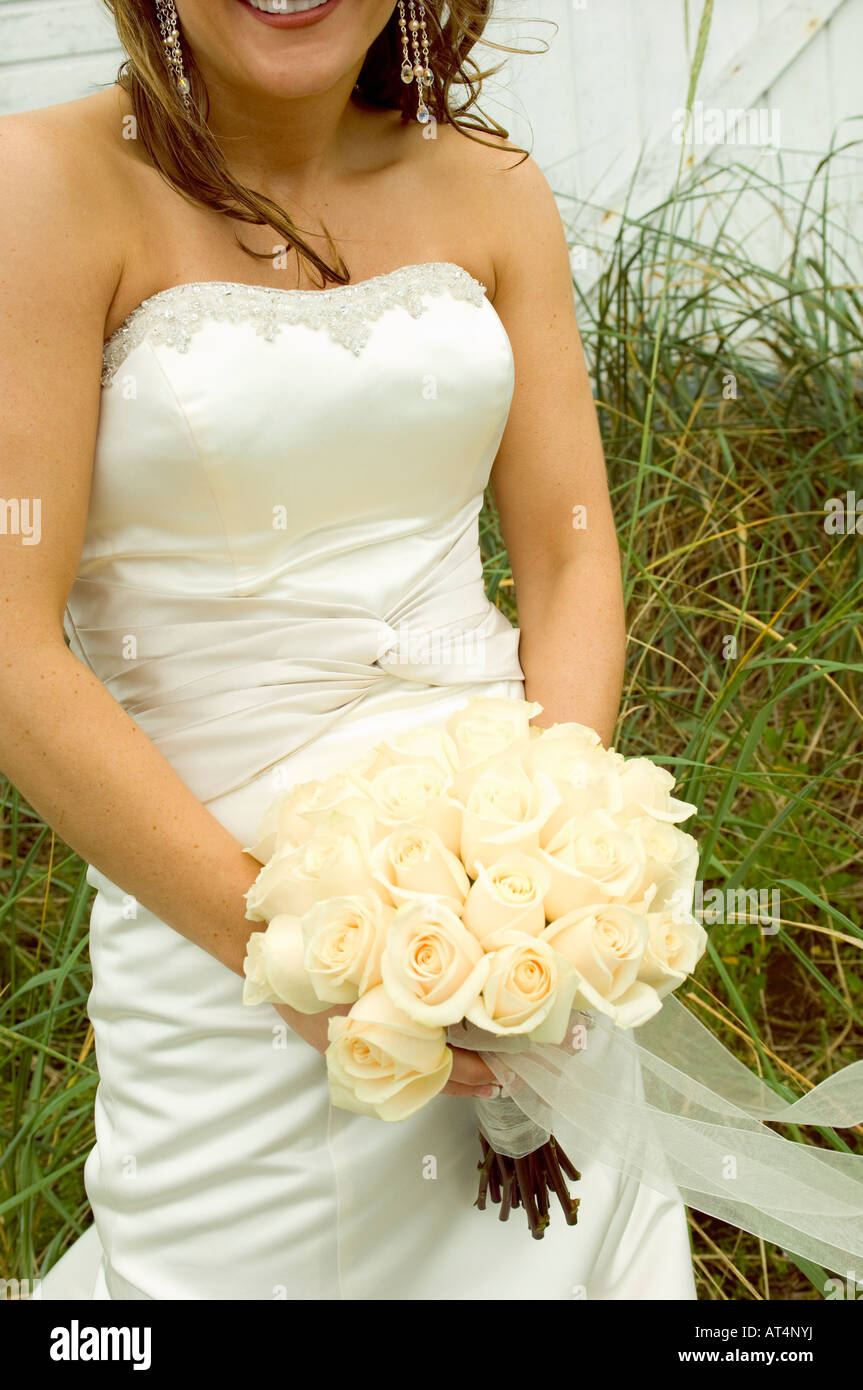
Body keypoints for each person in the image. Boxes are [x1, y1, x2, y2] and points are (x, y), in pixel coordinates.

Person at [0, 0, 696, 1299]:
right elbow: (9, 643)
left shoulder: (492, 188)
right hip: (219, 959)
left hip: (504, 945)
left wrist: (540, 873)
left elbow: (569, 552)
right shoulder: (43, 185)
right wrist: (288, 955)